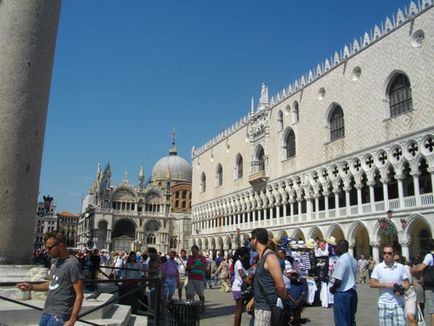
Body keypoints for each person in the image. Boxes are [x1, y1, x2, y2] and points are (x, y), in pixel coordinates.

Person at [17, 231, 84, 326]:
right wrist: (31, 287)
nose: (47, 250)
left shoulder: (72, 264)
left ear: (60, 245)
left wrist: (72, 320)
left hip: (60, 315)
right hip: (47, 311)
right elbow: (52, 284)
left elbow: (79, 294)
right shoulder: (55, 261)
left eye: (49, 247)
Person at [248, 228, 291, 326]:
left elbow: (280, 285)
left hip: (266, 308)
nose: (250, 241)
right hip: (260, 306)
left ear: (255, 240)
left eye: (251, 239)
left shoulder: (270, 257)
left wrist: (286, 304)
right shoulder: (262, 257)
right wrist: (253, 300)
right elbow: (263, 283)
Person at [370, 244, 409, 326]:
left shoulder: (401, 267)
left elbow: (407, 283)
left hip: (398, 303)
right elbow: (372, 283)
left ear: (394, 254)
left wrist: (402, 289)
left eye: (389, 253)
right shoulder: (378, 267)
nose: (386, 255)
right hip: (384, 303)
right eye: (384, 253)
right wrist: (387, 285)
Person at [329, 239, 358, 326]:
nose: (335, 249)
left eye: (336, 247)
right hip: (352, 292)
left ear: (340, 248)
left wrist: (332, 289)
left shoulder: (341, 260)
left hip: (342, 293)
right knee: (351, 319)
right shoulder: (353, 259)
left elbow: (338, 281)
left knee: (341, 320)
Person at [412, 239, 434, 326]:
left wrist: (414, 269)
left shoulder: (429, 256)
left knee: (432, 309)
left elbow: (421, 268)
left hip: (430, 286)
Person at [394, 253, 417, 326]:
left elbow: (412, 281)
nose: (396, 262)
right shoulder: (390, 270)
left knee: (411, 318)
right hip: (398, 295)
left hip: (409, 294)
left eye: (398, 260)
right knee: (400, 319)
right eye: (394, 261)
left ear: (400, 260)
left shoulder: (407, 267)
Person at [232, 247, 251, 326]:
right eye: (247, 253)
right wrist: (247, 281)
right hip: (238, 288)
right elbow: (241, 273)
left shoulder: (243, 262)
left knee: (241, 310)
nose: (249, 254)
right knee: (238, 311)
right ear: (244, 254)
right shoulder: (238, 262)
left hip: (242, 288)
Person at [186, 245, 207, 311]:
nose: (193, 252)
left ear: (197, 250)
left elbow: (204, 268)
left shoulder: (202, 258)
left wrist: (194, 266)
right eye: (192, 251)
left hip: (199, 278)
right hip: (191, 278)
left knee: (200, 294)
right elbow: (187, 268)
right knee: (190, 294)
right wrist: (195, 265)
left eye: (194, 251)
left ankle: (203, 305)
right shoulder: (190, 258)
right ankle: (192, 307)